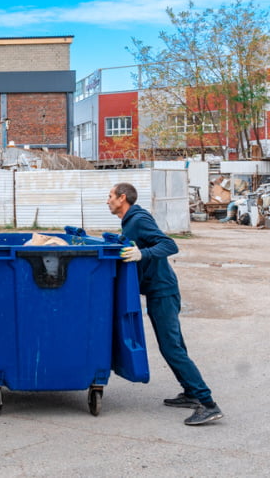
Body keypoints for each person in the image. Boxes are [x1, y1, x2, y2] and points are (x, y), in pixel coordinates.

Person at [107, 182, 224, 426]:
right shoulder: (130, 221)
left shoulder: (138, 219)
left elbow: (170, 245)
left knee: (171, 347)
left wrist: (143, 254)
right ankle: (191, 393)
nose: (107, 201)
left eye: (110, 196)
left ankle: (208, 404)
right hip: (157, 290)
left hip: (163, 291)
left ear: (122, 198)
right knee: (174, 345)